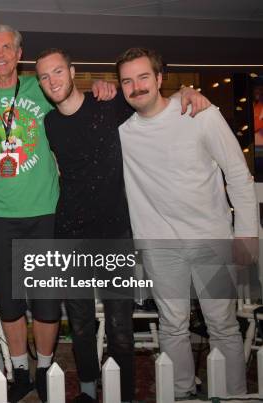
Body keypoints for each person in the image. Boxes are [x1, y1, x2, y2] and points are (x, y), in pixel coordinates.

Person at [35, 48, 210, 403]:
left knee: (119, 327)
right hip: (70, 236)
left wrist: (185, 92)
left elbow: (149, 101)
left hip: (115, 233)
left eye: (57, 72)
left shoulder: (109, 105)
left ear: (72, 71)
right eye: (43, 76)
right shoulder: (49, 124)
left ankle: (123, 392)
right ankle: (86, 390)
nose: (52, 81)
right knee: (81, 325)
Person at [0, 24, 117, 402]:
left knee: (47, 302)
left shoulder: (42, 87)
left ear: (20, 55)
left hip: (45, 213)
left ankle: (47, 368)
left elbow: (74, 97)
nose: (0, 54)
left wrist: (104, 86)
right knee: (9, 301)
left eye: (7, 48)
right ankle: (20, 371)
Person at [117, 47, 258, 399]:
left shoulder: (201, 114)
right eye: (127, 81)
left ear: (161, 78)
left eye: (144, 77)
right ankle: (180, 394)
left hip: (212, 240)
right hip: (159, 246)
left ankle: (233, 396)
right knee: (172, 326)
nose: (136, 87)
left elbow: (238, 175)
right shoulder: (122, 131)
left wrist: (246, 234)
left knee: (223, 325)